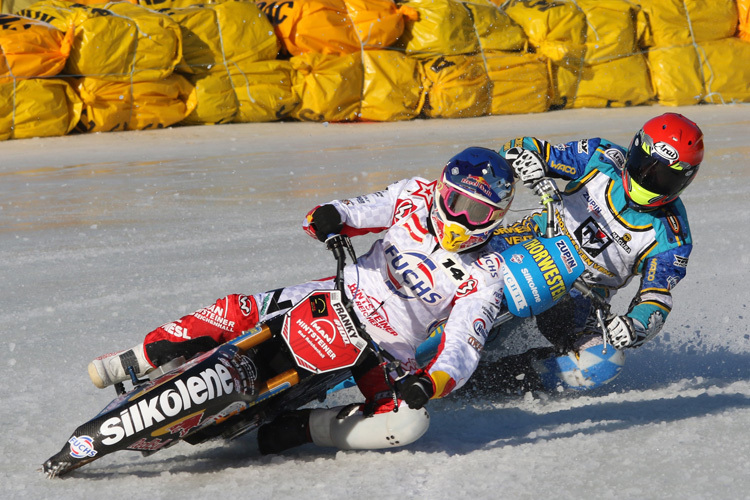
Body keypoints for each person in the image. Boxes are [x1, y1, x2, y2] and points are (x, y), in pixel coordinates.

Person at [87, 147, 516, 453]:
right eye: (456, 202)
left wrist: (432, 381)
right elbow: (356, 209)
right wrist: (330, 217)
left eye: (476, 212)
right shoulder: (415, 195)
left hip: (384, 352)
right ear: (442, 189)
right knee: (239, 308)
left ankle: (303, 429)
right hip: (335, 296)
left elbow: (463, 346)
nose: (460, 218)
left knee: (406, 423)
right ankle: (138, 356)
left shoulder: (486, 275)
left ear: (494, 219)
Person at [467, 113, 703, 394]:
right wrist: (522, 158)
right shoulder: (602, 157)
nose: (648, 178)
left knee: (601, 362)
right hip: (533, 240)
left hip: (581, 294)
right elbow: (528, 150)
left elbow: (656, 297)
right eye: (644, 165)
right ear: (635, 148)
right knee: (462, 243)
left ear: (684, 181)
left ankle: (494, 381)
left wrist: (635, 326)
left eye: (663, 177)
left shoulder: (673, 236)